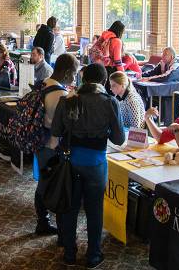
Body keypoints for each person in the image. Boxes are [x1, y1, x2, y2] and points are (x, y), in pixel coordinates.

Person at [51, 63, 125, 268]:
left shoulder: (67, 99)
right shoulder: (109, 102)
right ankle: (93, 255)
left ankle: (69, 253)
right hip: (96, 164)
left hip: (70, 161)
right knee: (94, 211)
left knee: (70, 208)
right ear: (103, 81)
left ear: (83, 79)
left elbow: (56, 130)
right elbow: (119, 139)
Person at [34, 53, 79, 236]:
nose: (75, 77)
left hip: (40, 141)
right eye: (74, 73)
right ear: (67, 72)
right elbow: (66, 126)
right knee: (56, 186)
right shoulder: (61, 95)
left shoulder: (45, 82)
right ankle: (56, 228)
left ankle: (42, 220)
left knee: (43, 183)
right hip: (53, 147)